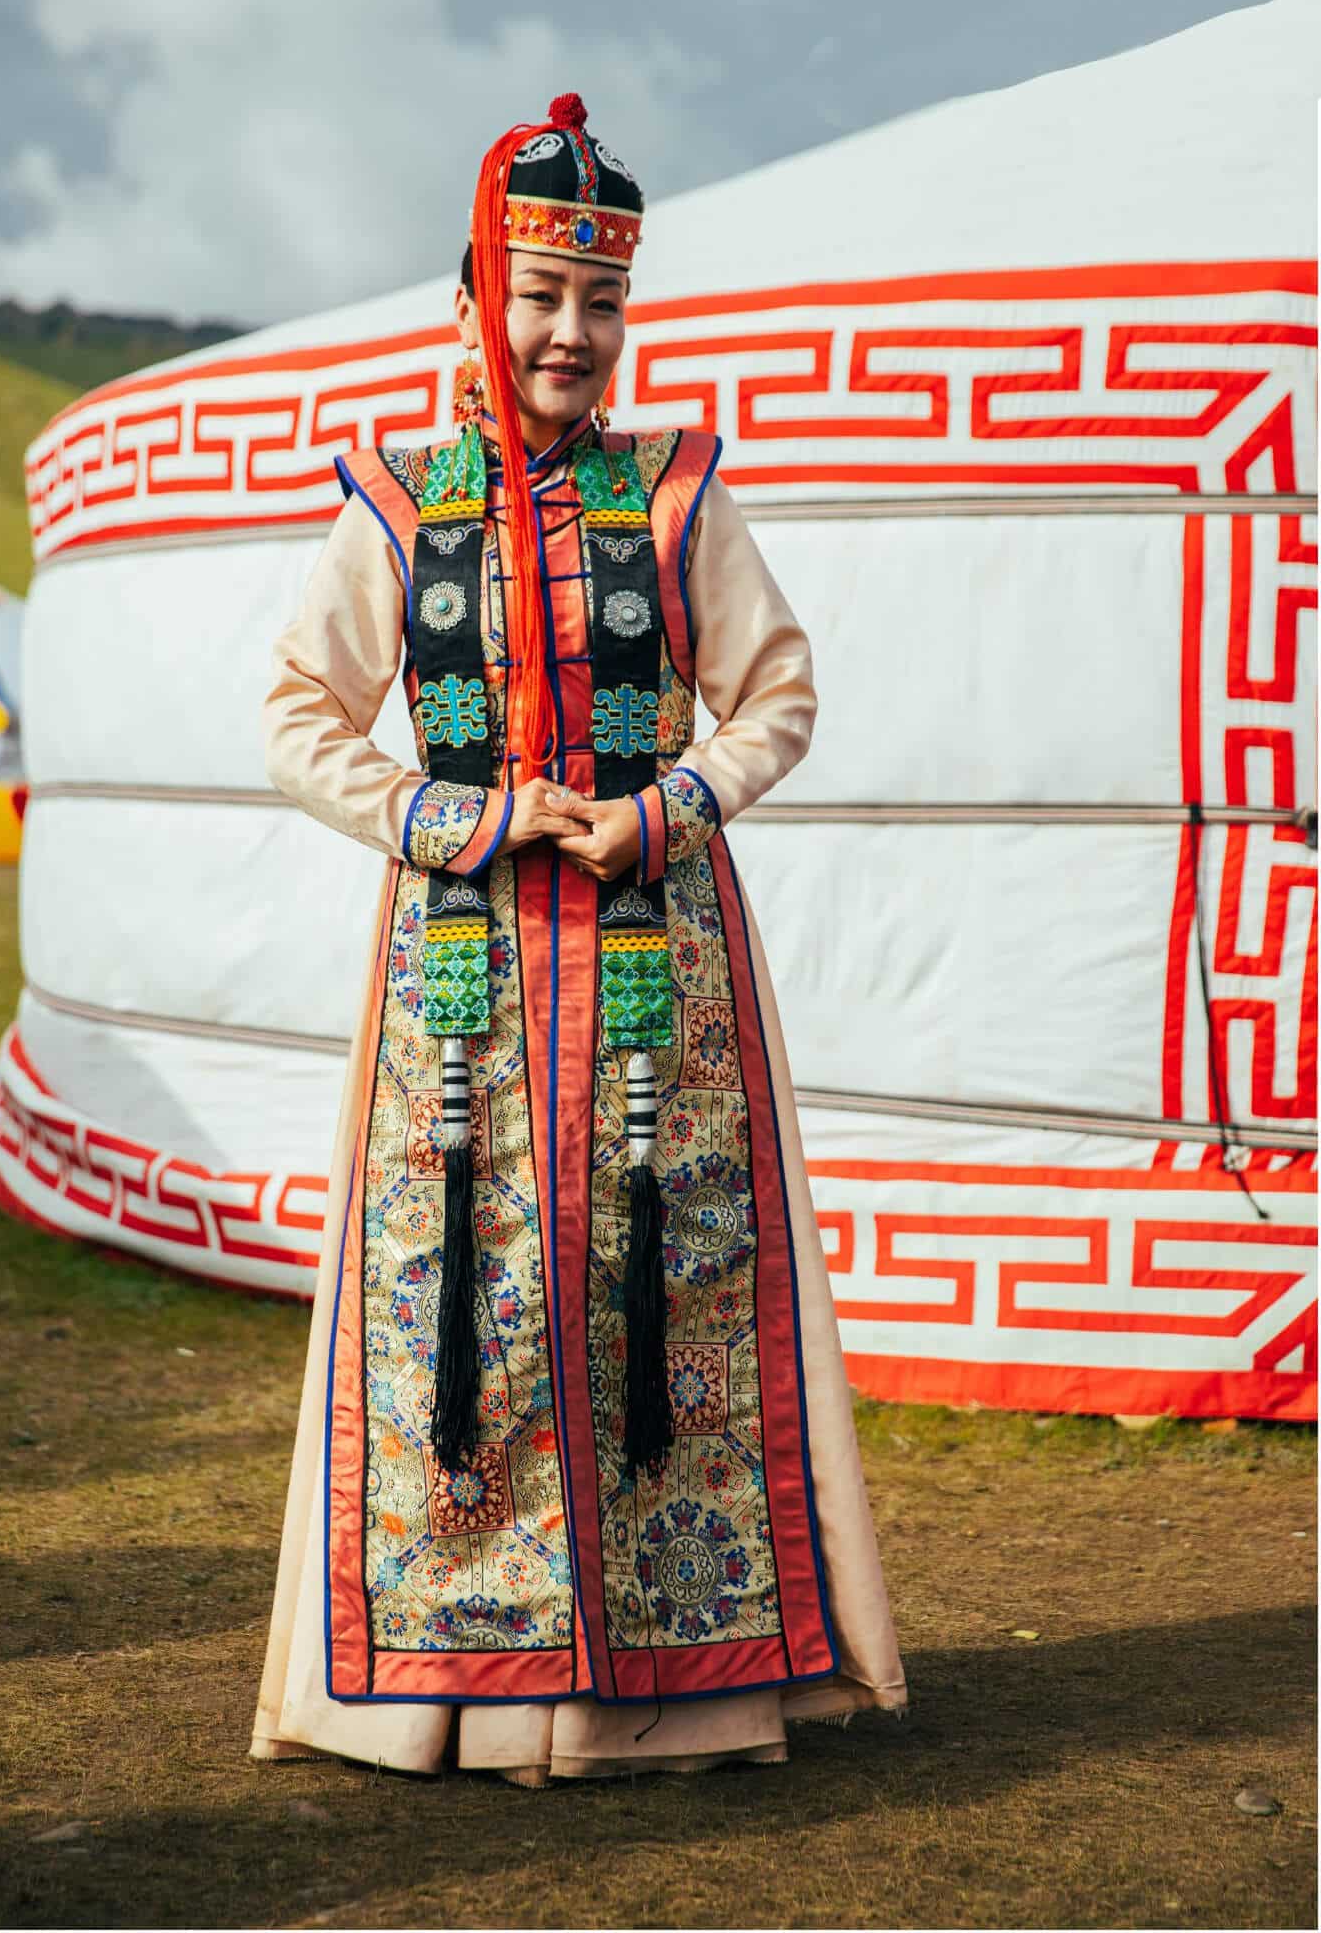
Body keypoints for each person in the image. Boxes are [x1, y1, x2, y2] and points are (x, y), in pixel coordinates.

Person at [251, 94, 905, 1786]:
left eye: (597, 302)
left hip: (653, 962)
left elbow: (779, 691)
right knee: (457, 1307)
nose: (568, 334)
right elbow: (299, 713)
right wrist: (458, 815)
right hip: (457, 973)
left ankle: (684, 1687)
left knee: (661, 1302)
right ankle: (451, 1687)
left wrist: (667, 801)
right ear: (474, 302)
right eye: (537, 296)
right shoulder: (398, 501)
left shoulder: (680, 495)